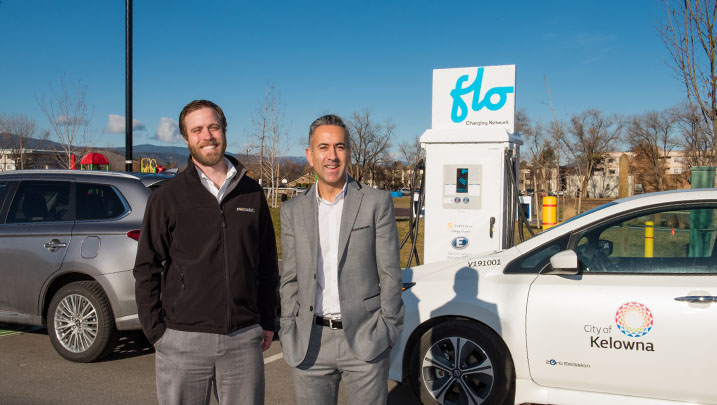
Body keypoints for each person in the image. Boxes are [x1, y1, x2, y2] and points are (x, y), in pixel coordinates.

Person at [133, 99, 278, 405]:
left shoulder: (251, 193)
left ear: (224, 131)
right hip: (182, 340)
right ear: (186, 139)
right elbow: (147, 267)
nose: (207, 135)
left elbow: (266, 264)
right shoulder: (167, 198)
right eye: (197, 129)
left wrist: (266, 320)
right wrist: (156, 332)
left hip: (243, 338)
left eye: (213, 127)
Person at [278, 114, 404, 404]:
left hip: (365, 338)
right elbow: (290, 279)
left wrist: (388, 330)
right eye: (323, 147)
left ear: (348, 152)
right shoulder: (292, 211)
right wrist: (288, 329)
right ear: (310, 156)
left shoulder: (375, 202)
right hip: (310, 343)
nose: (331, 156)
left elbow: (390, 273)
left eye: (339, 147)